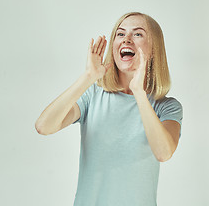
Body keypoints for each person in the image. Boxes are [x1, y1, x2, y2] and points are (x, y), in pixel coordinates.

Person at [35, 12, 183, 206]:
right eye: (120, 34)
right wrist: (88, 77)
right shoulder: (93, 97)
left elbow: (163, 152)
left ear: (154, 49)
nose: (126, 39)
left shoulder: (167, 107)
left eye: (138, 34)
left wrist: (138, 90)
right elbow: (44, 126)